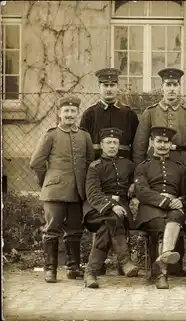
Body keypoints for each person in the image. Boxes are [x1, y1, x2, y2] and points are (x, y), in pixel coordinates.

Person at [29, 96, 94, 283]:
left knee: (75, 229)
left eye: (73, 111)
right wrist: (47, 181)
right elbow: (36, 162)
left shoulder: (84, 136)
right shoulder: (50, 135)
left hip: (77, 191)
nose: (70, 115)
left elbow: (89, 161)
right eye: (66, 111)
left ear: (77, 113)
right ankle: (50, 270)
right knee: (52, 229)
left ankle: (73, 268)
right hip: (54, 191)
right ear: (59, 113)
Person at [83, 128, 140, 289]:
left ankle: (90, 273)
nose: (112, 146)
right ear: (101, 145)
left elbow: (140, 177)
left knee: (106, 227)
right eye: (108, 142)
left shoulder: (127, 165)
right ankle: (125, 261)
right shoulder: (95, 166)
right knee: (111, 218)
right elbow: (93, 193)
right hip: (97, 210)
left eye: (115, 142)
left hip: (121, 211)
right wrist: (112, 206)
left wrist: (134, 184)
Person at [134, 126, 186, 289]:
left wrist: (181, 201)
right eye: (159, 141)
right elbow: (141, 191)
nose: (163, 145)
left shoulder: (179, 167)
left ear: (171, 144)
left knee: (177, 216)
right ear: (152, 142)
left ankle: (159, 266)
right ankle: (161, 275)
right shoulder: (143, 167)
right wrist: (165, 201)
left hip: (174, 209)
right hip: (150, 209)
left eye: (166, 142)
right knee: (159, 225)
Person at [132, 68, 186, 167]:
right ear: (162, 87)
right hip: (155, 163)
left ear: (179, 87)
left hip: (181, 164)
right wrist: (140, 170)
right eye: (168, 85)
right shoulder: (150, 112)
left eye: (175, 85)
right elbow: (139, 146)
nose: (172, 89)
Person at [80, 68, 139, 160]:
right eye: (105, 85)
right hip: (97, 167)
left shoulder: (128, 114)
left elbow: (137, 144)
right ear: (99, 86)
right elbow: (83, 145)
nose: (109, 89)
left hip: (124, 167)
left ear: (117, 86)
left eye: (112, 85)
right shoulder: (90, 114)